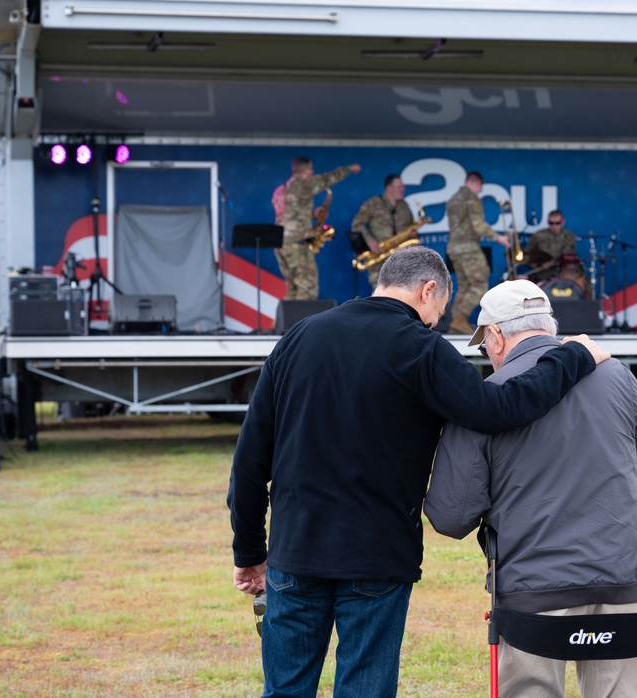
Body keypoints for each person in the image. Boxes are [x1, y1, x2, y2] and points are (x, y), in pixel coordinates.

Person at [227, 246, 610, 698]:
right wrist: (573, 356)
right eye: (439, 312)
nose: (435, 323)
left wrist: (250, 550)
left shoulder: (298, 337)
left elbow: (250, 458)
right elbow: (500, 408)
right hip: (377, 555)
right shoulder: (421, 348)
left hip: (294, 551)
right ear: (428, 290)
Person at [425, 279, 637, 698]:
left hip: (533, 586)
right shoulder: (621, 376)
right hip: (621, 575)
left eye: (484, 344)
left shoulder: (485, 397)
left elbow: (450, 516)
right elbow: (634, 466)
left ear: (495, 335)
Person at [272, 157, 361, 300]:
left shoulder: (280, 190)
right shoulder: (304, 184)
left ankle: (282, 322)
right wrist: (349, 169)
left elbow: (289, 214)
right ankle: (301, 322)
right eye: (312, 169)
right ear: (305, 170)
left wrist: (313, 214)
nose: (313, 172)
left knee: (292, 289)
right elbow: (327, 178)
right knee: (308, 289)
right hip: (298, 242)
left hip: (280, 242)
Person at [446, 171, 511, 334]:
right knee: (480, 285)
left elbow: (462, 225)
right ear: (476, 183)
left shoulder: (454, 199)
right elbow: (478, 225)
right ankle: (460, 319)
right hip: (468, 249)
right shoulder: (472, 198)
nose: (480, 191)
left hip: (454, 248)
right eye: (480, 187)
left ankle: (455, 324)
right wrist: (498, 238)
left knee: (464, 286)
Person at [350, 174, 416, 288]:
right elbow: (356, 224)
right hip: (380, 257)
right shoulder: (373, 204)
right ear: (389, 188)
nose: (402, 189)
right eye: (399, 186)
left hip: (402, 259)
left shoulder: (404, 205)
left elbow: (410, 226)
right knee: (381, 294)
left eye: (402, 186)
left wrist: (411, 233)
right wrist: (369, 241)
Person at [523, 209, 577, 283]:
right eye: (551, 223)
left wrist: (551, 263)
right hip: (542, 274)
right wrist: (531, 262)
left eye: (557, 223)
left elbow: (567, 254)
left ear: (563, 222)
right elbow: (527, 252)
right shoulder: (539, 235)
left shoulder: (568, 236)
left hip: (563, 273)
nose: (554, 226)